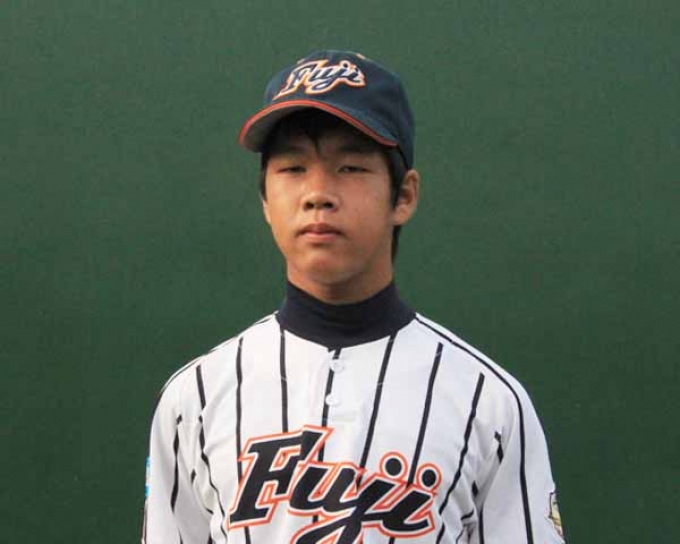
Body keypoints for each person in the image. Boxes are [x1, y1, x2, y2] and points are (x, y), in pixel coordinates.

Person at [142, 49, 565, 544]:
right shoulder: (194, 398)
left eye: (349, 168)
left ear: (403, 195)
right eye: (293, 168)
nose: (317, 193)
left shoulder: (487, 403)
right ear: (265, 200)